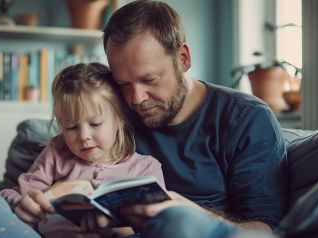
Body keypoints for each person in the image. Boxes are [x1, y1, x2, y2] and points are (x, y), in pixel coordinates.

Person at [84, 0, 287, 237]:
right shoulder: (114, 113)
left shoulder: (246, 119)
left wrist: (194, 215)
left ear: (183, 58)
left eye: (149, 80)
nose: (136, 99)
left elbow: (268, 230)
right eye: (123, 84)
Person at [0, 63, 165, 237]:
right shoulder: (56, 154)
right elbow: (12, 194)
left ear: (120, 119)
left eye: (95, 124)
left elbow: (160, 223)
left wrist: (116, 229)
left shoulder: (146, 168)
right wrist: (24, 203)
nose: (83, 136)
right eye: (71, 127)